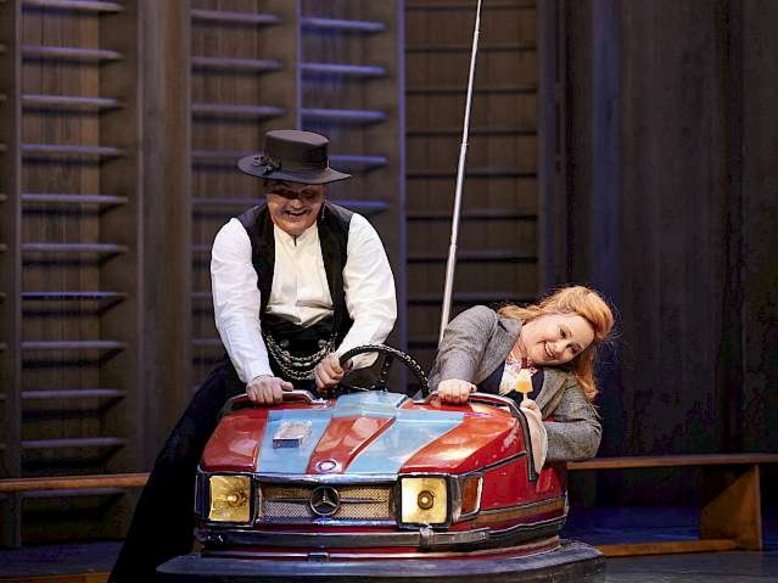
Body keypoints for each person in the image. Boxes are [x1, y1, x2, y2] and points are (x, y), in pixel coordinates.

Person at [109, 129, 397, 581]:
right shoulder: (237, 235)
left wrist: (345, 358)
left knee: (376, 462)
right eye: (285, 193)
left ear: (323, 193)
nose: (296, 204)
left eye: (309, 195)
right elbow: (235, 314)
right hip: (260, 360)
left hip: (340, 363)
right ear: (266, 189)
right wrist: (257, 374)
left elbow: (377, 309)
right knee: (180, 458)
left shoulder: (356, 230)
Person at [429, 286, 614, 464]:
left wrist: (532, 429)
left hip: (501, 472)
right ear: (549, 311)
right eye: (562, 333)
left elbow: (589, 437)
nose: (559, 348)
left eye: (572, 349)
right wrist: (455, 381)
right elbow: (462, 348)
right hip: (438, 450)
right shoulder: (486, 321)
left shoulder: (564, 382)